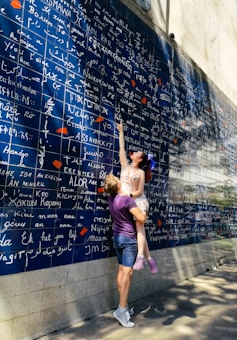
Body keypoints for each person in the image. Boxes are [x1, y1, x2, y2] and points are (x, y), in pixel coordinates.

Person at [104, 173, 147, 328]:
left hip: (117, 238)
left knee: (122, 270)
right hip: (128, 240)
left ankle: (124, 305)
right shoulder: (127, 200)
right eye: (118, 179)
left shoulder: (111, 199)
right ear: (118, 185)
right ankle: (121, 310)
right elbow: (141, 219)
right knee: (127, 274)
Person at [117, 122, 158, 274]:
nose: (132, 153)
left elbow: (140, 191)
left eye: (136, 153)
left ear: (139, 159)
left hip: (137, 201)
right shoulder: (124, 166)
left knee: (139, 227)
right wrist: (121, 132)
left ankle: (140, 257)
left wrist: (128, 195)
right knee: (138, 230)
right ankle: (150, 260)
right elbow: (122, 149)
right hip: (127, 202)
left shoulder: (140, 173)